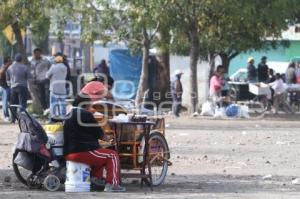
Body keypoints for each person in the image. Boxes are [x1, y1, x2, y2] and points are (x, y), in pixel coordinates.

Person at [63, 94, 125, 192]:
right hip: (81, 151)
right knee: (112, 155)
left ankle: (95, 181)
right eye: (90, 105)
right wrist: (109, 139)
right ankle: (113, 184)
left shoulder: (68, 114)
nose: (91, 107)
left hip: (68, 153)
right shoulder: (85, 114)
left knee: (100, 157)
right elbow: (99, 134)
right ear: (86, 105)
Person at [7, 53, 32, 122]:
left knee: (13, 104)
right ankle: (22, 119)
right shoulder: (25, 67)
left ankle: (13, 119)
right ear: (21, 59)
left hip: (13, 87)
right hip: (22, 87)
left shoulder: (10, 67)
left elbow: (8, 78)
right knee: (22, 104)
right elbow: (30, 77)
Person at [46, 53, 67, 121]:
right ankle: (64, 119)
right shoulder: (65, 67)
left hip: (54, 89)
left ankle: (53, 119)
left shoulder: (53, 67)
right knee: (62, 105)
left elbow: (47, 75)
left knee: (53, 105)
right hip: (62, 89)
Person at [0, 56, 12, 122]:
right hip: (4, 88)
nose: (11, 62)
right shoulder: (4, 67)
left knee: (9, 102)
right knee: (5, 103)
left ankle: (10, 115)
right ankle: (6, 116)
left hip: (6, 87)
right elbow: (1, 72)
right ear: (7, 62)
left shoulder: (7, 67)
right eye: (10, 61)